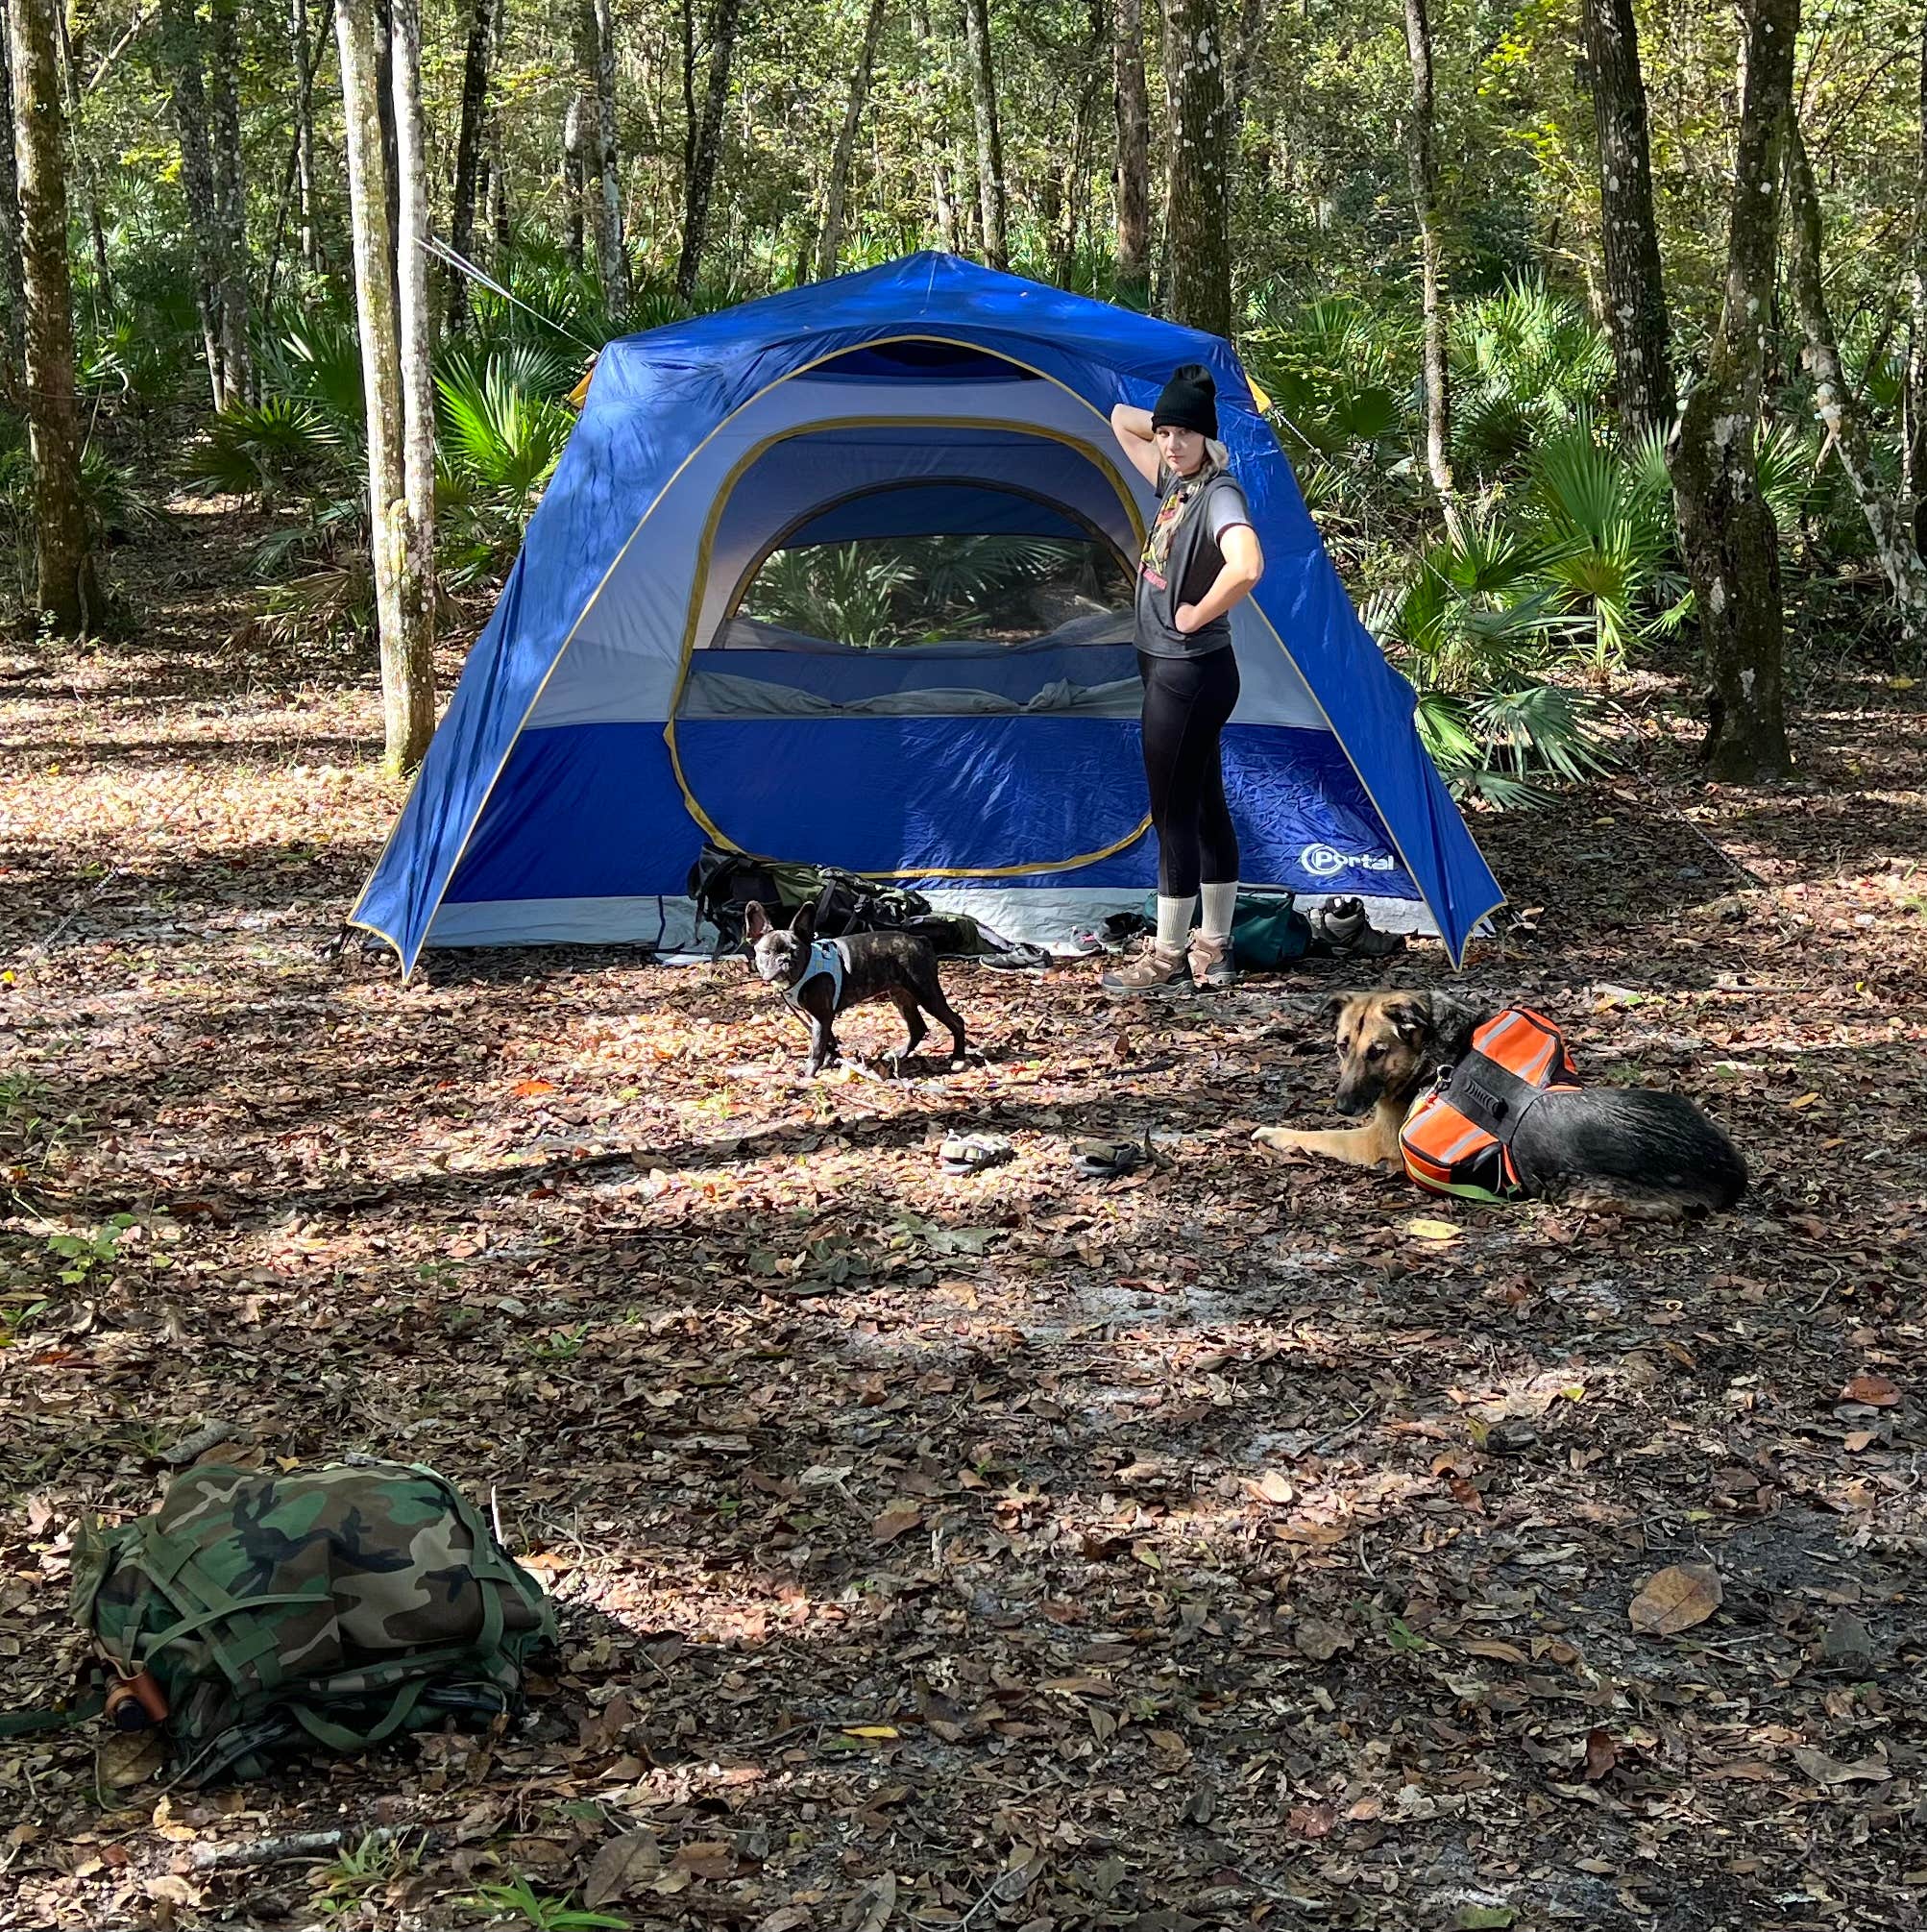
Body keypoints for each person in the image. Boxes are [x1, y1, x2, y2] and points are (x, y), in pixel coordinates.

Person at [1101, 363, 1264, 993]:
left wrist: (1200, 609)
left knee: (1173, 813)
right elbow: (1120, 419)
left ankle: (1168, 955)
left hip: (1187, 674)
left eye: (1184, 434)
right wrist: (1178, 421)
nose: (1169, 442)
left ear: (1208, 440)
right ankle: (1213, 949)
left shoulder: (1219, 492)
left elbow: (1247, 563)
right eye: (1165, 432)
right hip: (1183, 673)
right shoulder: (1176, 480)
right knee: (1203, 805)